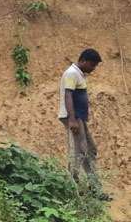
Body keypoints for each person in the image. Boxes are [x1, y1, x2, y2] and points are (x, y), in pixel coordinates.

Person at [57, 49, 108, 198]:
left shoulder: (78, 74)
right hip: (74, 118)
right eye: (92, 65)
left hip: (79, 118)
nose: (93, 68)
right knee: (78, 152)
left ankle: (94, 188)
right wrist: (72, 119)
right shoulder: (72, 73)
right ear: (83, 60)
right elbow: (68, 95)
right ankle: (72, 189)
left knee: (89, 150)